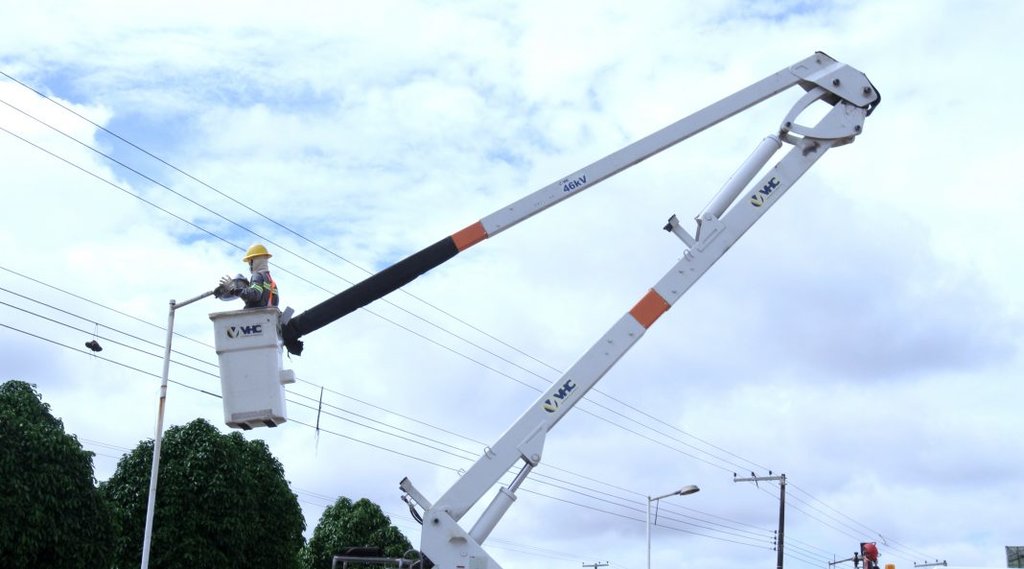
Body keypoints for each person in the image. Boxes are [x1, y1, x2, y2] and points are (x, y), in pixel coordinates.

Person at [220, 244, 280, 309]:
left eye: (250, 263)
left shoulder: (257, 276)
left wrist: (234, 290)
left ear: (254, 261)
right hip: (266, 316)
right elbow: (275, 302)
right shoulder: (271, 282)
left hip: (256, 316)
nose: (249, 266)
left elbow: (255, 295)